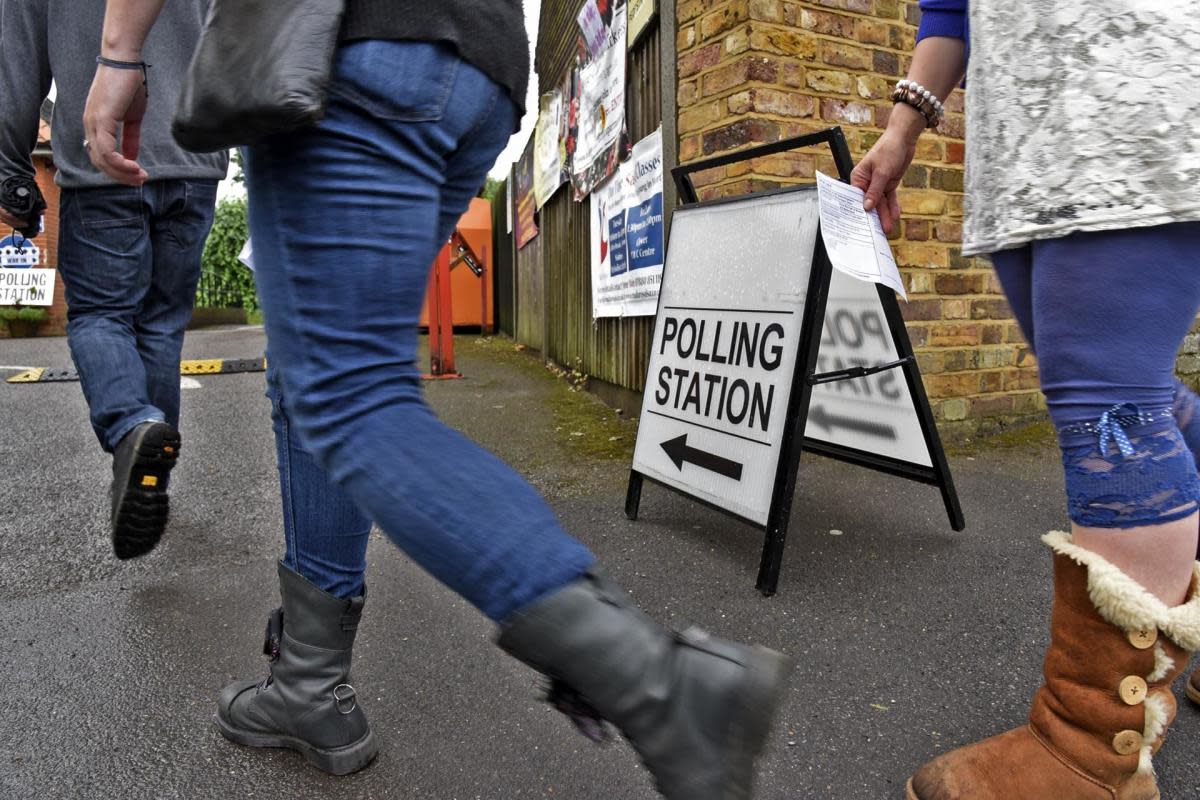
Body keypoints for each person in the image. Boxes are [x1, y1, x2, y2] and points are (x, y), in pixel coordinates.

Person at [84, 1, 793, 795]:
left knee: (353, 396)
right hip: (479, 68)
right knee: (315, 368)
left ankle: (663, 688)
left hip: (352, 45)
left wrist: (118, 55)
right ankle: (309, 683)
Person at [851, 2, 1200, 798]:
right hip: (1023, 139)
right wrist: (902, 130)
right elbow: (950, 10)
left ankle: (1090, 756)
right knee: (1130, 399)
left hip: (1136, 74)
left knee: (1118, 410)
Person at [0, 0, 227, 559]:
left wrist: (10, 172)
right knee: (162, 327)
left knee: (102, 316)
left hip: (102, 157)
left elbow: (17, 62)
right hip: (194, 159)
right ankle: (148, 479)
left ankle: (133, 427)